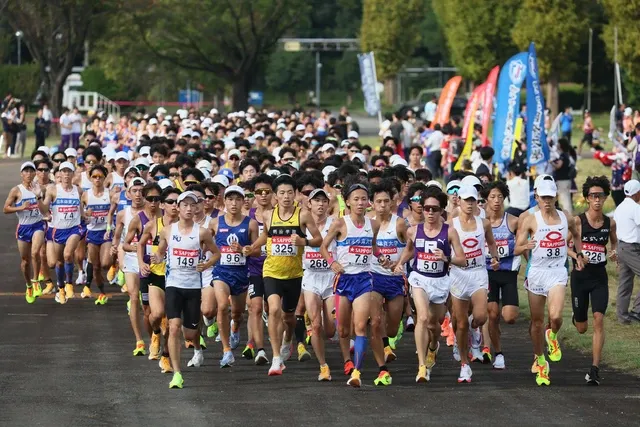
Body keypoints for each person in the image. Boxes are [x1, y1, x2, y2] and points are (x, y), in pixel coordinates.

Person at [242, 174, 322, 376]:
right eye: (281, 193)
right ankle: (276, 358)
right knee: (274, 309)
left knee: (288, 316)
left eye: (289, 192)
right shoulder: (269, 215)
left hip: (294, 274)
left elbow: (319, 239)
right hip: (271, 271)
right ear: (275, 196)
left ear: (294, 194)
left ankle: (288, 339)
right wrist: (252, 247)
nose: (286, 197)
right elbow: (265, 235)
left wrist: (304, 242)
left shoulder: (302, 215)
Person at [395, 186, 466, 382]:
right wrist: (400, 263)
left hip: (440, 281)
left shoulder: (449, 231)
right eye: (427, 208)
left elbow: (463, 259)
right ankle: (421, 366)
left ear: (442, 209)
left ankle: (434, 346)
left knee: (434, 324)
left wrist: (446, 257)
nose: (430, 212)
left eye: (435, 209)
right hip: (419, 278)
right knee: (423, 318)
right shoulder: (413, 231)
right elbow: (410, 251)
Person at [516, 180, 583, 386]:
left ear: (555, 197)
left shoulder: (566, 217)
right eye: (542, 197)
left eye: (550, 197)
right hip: (537, 272)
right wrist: (525, 245)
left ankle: (552, 335)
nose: (546, 201)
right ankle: (541, 361)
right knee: (536, 322)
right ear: (536, 197)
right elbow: (516, 248)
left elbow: (577, 234)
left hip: (557, 272)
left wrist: (578, 253)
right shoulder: (529, 220)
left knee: (555, 317)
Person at [151, 191, 220, 389]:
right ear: (178, 208)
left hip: (193, 286)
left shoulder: (202, 232)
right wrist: (158, 258)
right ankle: (177, 374)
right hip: (173, 284)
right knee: (173, 327)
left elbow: (216, 254)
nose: (189, 209)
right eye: (185, 205)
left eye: (193, 205)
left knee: (189, 333)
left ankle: (197, 347)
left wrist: (206, 265)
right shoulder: (167, 230)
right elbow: (161, 251)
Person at [319, 177, 381, 387]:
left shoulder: (373, 224)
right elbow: (323, 247)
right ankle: (347, 359)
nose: (361, 203)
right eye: (357, 199)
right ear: (348, 201)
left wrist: (382, 259)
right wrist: (332, 262)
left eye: (364, 199)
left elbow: (373, 248)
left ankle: (357, 372)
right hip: (344, 280)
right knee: (344, 330)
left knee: (361, 325)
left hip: (364, 279)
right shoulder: (339, 223)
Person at [448, 184, 499, 383]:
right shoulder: (451, 224)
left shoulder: (483, 223)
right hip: (458, 274)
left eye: (473, 200)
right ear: (458, 201)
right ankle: (464, 365)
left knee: (480, 316)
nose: (469, 204)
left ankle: (474, 327)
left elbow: (491, 242)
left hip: (478, 272)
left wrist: (494, 257)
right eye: (466, 200)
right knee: (459, 324)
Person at [568, 176, 618, 385]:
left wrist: (614, 253)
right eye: (593, 196)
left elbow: (614, 243)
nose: (597, 200)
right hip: (580, 278)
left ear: (606, 197)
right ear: (587, 198)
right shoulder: (578, 222)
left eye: (601, 196)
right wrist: (577, 256)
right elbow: (565, 246)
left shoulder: (610, 223)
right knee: (582, 328)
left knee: (599, 319)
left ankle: (595, 368)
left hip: (599, 278)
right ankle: (576, 316)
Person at [211, 185, 259, 367]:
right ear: (225, 201)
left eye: (237, 199)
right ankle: (226, 351)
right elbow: (206, 243)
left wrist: (247, 250)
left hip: (241, 275)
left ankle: (235, 326)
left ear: (242, 202)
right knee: (222, 306)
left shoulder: (251, 223)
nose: (233, 203)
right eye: (230, 199)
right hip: (221, 273)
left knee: (237, 313)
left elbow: (258, 251)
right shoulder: (216, 222)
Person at [137, 187, 180, 373]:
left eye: (178, 202)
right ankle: (155, 333)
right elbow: (139, 244)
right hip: (156, 275)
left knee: (172, 322)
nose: (174, 206)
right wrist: (141, 263)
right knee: (156, 314)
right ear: (162, 205)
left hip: (176, 278)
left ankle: (165, 355)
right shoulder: (153, 225)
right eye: (170, 202)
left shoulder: (185, 227)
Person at [481, 181, 522, 369]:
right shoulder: (480, 222)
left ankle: (494, 342)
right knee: (492, 314)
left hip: (508, 274)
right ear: (486, 199)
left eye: (500, 197)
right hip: (487, 273)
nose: (496, 201)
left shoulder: (513, 221)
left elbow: (522, 246)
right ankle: (498, 353)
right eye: (492, 197)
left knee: (510, 317)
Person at [369, 181, 407, 373]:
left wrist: (399, 262)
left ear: (392, 203)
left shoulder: (399, 223)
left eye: (386, 201)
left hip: (395, 278)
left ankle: (387, 338)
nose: (383, 205)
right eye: (379, 202)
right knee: (375, 320)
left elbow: (412, 248)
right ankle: (384, 348)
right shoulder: (367, 222)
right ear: (372, 204)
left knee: (392, 326)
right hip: (373, 276)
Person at [301, 188, 336, 381]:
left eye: (324, 201)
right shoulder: (303, 225)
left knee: (330, 330)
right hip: (311, 277)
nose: (320, 204)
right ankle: (323, 366)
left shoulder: (334, 224)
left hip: (331, 278)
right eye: (317, 201)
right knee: (316, 325)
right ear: (310, 204)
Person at [3, 161, 46, 303]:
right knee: (25, 261)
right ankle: (28, 285)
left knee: (35, 252)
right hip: (23, 227)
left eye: (31, 171)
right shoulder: (16, 190)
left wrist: (39, 196)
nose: (28, 174)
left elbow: (45, 208)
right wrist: (20, 208)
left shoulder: (40, 188)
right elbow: (5, 209)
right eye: (25, 171)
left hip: (38, 225)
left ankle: (35, 281)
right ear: (21, 174)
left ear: (34, 173)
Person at [41, 161, 84, 304]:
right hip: (58, 230)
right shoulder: (53, 189)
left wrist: (86, 216)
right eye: (63, 171)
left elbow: (81, 211)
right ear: (59, 173)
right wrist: (37, 198)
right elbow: (44, 208)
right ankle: (60, 287)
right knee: (58, 262)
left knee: (67, 254)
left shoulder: (78, 190)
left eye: (69, 171)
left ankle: (69, 284)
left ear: (73, 174)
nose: (66, 174)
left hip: (74, 228)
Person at [114, 177, 147, 356]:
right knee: (134, 297)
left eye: (141, 191)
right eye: (135, 190)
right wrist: (116, 245)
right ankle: (139, 340)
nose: (138, 194)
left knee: (150, 307)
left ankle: (155, 333)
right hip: (131, 259)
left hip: (149, 260)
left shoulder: (153, 213)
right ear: (129, 193)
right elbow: (119, 234)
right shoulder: (123, 214)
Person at [244, 174, 273, 365]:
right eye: (258, 192)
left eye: (267, 192)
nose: (263, 195)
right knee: (254, 307)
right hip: (254, 268)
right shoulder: (247, 217)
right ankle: (259, 349)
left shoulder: (280, 214)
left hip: (276, 269)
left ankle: (282, 344)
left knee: (274, 309)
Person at [81, 164, 112, 304]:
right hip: (92, 232)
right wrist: (85, 215)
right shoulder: (86, 195)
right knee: (96, 267)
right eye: (94, 177)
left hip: (105, 232)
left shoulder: (110, 194)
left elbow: (116, 212)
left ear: (105, 178)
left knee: (105, 263)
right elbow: (80, 214)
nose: (97, 179)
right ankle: (102, 292)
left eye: (100, 177)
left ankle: (114, 266)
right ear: (90, 178)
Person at [612, 179, 640, 324]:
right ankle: (636, 312)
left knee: (625, 283)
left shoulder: (620, 207)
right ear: (637, 193)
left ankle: (622, 317)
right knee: (625, 282)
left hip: (622, 246)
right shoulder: (635, 208)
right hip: (631, 248)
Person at [552, 138, 574, 215]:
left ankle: (568, 216)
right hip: (566, 180)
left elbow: (558, 166)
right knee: (566, 199)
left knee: (565, 200)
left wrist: (551, 163)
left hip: (562, 180)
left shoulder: (563, 155)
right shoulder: (566, 154)